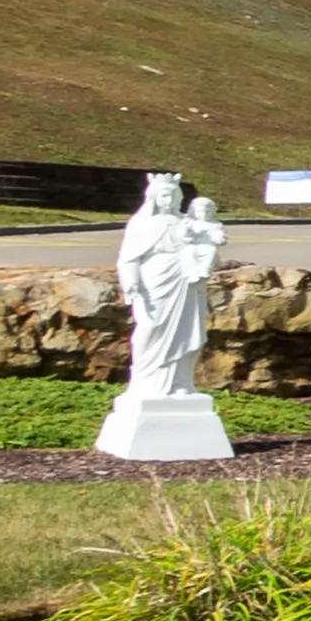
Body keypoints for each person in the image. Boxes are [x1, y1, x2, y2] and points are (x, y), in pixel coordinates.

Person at [97, 173, 234, 464]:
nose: (169, 200)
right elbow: (129, 258)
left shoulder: (185, 222)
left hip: (184, 282)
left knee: (188, 334)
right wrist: (131, 284)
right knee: (150, 329)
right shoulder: (143, 223)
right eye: (163, 195)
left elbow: (209, 242)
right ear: (152, 198)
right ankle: (146, 382)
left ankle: (180, 383)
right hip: (155, 282)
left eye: (173, 195)